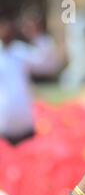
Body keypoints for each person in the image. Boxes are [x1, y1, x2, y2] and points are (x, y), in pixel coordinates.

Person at [0, 8, 59, 145]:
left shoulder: (20, 50)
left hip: (25, 122)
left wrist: (38, 37)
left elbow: (47, 65)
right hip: (3, 124)